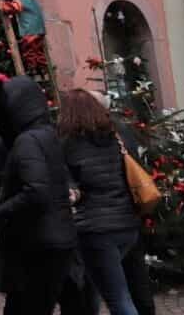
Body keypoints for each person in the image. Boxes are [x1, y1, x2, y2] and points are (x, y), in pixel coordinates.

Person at [0, 75, 77, 315]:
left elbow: (36, 190)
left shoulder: (27, 140)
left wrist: (1, 211)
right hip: (55, 238)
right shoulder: (47, 134)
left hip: (38, 242)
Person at [59, 89, 142, 315]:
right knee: (97, 284)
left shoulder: (68, 143)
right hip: (127, 223)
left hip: (96, 229)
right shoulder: (117, 135)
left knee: (118, 299)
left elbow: (71, 186)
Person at [87, 91, 155, 315]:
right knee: (135, 278)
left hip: (105, 219)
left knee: (116, 292)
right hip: (129, 213)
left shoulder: (88, 135)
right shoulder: (120, 129)